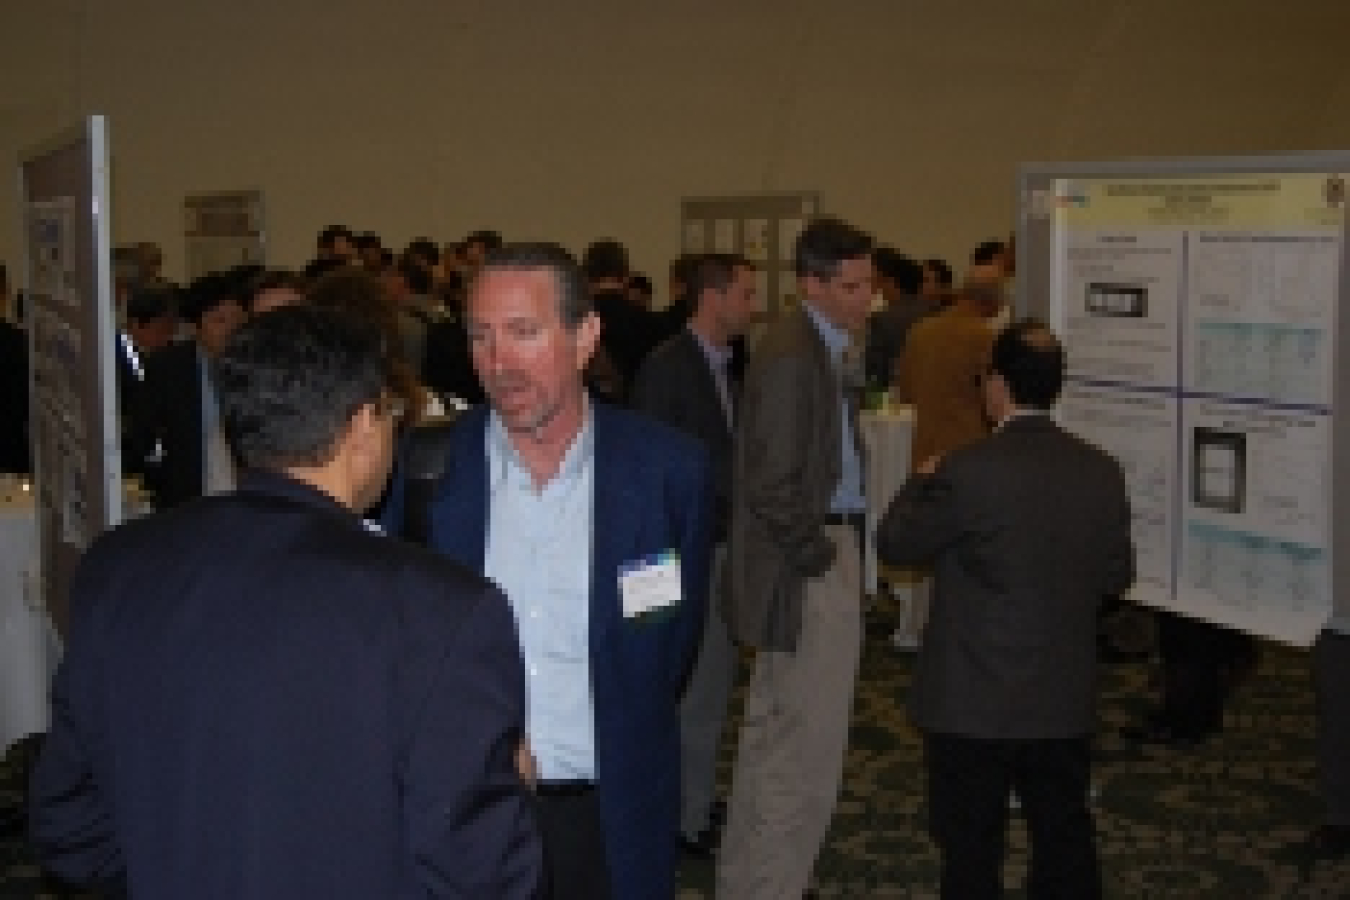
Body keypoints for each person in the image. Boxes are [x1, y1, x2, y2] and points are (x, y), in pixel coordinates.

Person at [28, 306, 545, 899]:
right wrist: (514, 789)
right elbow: (484, 874)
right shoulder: (442, 610)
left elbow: (70, 828)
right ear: (361, 425)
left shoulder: (119, 569)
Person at [383, 241, 713, 900]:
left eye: (524, 333)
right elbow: (397, 648)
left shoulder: (666, 470)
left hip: (612, 810)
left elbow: (669, 644)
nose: (498, 363)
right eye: (481, 337)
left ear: (585, 335)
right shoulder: (426, 470)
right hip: (467, 814)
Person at [876, 320, 1135, 900]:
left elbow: (896, 546)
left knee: (970, 847)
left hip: (972, 697)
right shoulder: (1100, 470)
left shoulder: (967, 470)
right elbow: (1116, 576)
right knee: (1064, 837)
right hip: (1060, 691)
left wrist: (918, 484)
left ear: (998, 385)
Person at [717, 216, 874, 900]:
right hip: (808, 560)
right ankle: (771, 886)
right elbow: (772, 484)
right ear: (811, 284)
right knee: (802, 755)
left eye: (869, 283)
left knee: (774, 738)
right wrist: (818, 559)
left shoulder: (816, 346)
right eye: (851, 285)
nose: (866, 297)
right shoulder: (791, 355)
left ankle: (751, 884)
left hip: (815, 552)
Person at [631, 252, 758, 859]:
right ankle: (683, 818)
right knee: (689, 690)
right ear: (713, 297)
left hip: (717, 547)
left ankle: (694, 801)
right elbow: (651, 475)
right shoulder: (668, 368)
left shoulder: (728, 367)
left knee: (709, 687)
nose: (753, 306)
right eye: (746, 294)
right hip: (679, 556)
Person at [127, 272, 248, 507]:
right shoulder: (167, 368)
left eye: (238, 319)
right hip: (186, 498)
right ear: (194, 326)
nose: (232, 329)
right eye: (220, 320)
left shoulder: (259, 367)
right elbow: (144, 436)